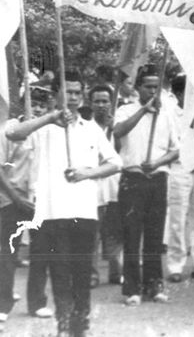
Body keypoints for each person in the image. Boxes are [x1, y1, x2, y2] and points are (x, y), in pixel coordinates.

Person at [7, 71, 122, 337]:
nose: (72, 98)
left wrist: (87, 173)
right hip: (51, 211)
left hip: (83, 210)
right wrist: (49, 117)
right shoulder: (43, 126)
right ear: (57, 93)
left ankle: (81, 325)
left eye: (77, 93)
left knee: (82, 271)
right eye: (68, 92)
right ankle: (64, 323)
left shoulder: (90, 127)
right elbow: (13, 133)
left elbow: (116, 162)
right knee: (59, 271)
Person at [112, 64, 179, 306]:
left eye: (156, 87)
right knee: (132, 235)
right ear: (138, 87)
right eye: (148, 86)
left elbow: (175, 150)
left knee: (154, 234)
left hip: (157, 178)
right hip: (132, 179)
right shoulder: (125, 110)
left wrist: (158, 162)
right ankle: (132, 288)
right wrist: (143, 111)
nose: (153, 91)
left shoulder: (167, 113)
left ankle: (154, 284)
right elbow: (118, 131)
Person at [0, 85, 52, 330]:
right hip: (13, 199)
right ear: (23, 104)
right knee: (7, 254)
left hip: (41, 200)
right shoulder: (9, 129)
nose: (38, 108)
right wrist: (17, 199)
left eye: (43, 104)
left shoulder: (51, 130)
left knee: (41, 253)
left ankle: (37, 302)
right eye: (34, 103)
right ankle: (2, 303)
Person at [165, 74, 194, 283]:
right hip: (179, 169)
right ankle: (175, 266)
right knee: (177, 220)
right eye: (189, 92)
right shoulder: (170, 113)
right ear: (178, 94)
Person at [88, 84, 123, 287]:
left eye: (105, 101)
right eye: (97, 101)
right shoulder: (85, 127)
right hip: (94, 187)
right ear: (90, 104)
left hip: (115, 186)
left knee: (115, 231)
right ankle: (92, 274)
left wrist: (114, 131)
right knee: (93, 233)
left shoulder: (118, 126)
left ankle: (116, 271)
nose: (101, 105)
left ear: (111, 103)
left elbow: (120, 153)